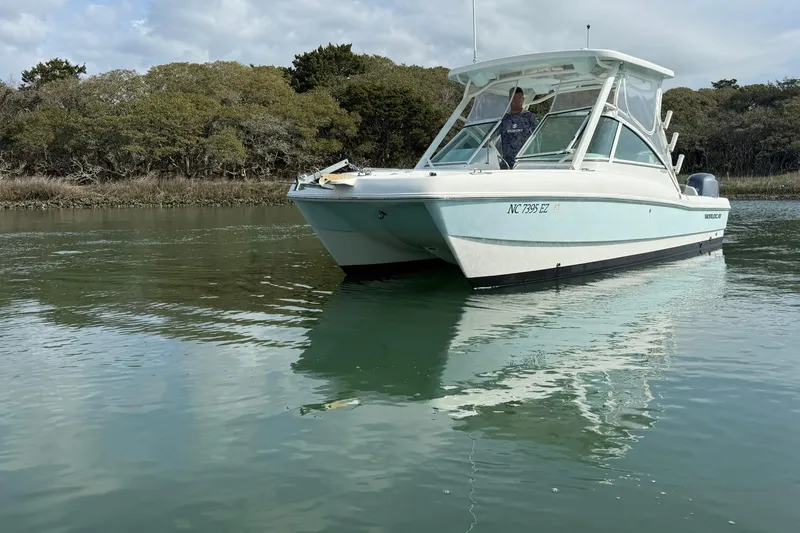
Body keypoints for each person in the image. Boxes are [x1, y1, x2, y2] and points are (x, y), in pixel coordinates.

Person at [499, 87, 538, 168]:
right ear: (509, 99)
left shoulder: (530, 117)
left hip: (524, 163)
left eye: (519, 98)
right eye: (513, 98)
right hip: (507, 164)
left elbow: (538, 137)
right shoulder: (504, 119)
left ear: (523, 99)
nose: (516, 100)